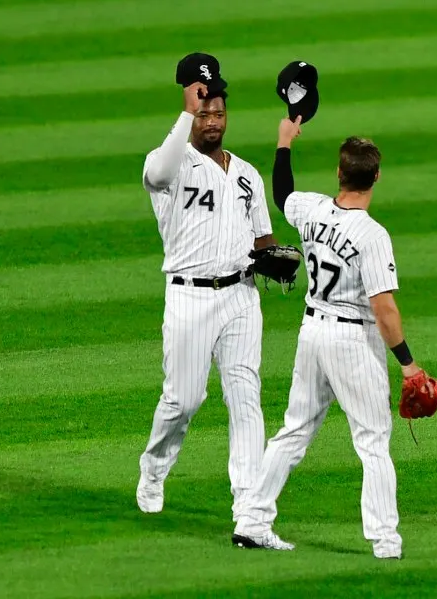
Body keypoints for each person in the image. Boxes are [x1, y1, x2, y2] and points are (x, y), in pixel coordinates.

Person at [231, 117, 436, 558]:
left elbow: (282, 193)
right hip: (351, 343)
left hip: (312, 334)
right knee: (373, 441)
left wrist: (284, 141)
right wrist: (408, 364)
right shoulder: (373, 236)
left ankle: (252, 519)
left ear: (339, 174)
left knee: (293, 431)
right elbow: (384, 309)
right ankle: (385, 540)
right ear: (376, 177)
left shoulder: (312, 209)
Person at [137, 53, 277, 527]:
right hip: (189, 297)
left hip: (240, 297)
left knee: (245, 396)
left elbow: (263, 239)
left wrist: (275, 259)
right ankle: (154, 470)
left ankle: (249, 506)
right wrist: (185, 111)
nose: (213, 121)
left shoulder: (247, 175)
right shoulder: (170, 165)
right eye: (204, 112)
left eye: (218, 112)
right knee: (183, 400)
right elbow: (156, 175)